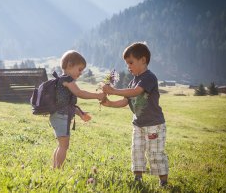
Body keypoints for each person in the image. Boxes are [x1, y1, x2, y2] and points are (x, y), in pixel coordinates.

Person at [101, 42, 169, 186]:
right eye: (127, 64)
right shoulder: (133, 81)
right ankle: (138, 178)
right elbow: (126, 101)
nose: (128, 66)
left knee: (155, 153)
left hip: (154, 124)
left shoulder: (148, 77)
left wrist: (113, 91)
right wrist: (110, 103)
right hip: (138, 124)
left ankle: (163, 181)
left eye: (131, 62)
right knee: (136, 150)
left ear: (143, 60)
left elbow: (137, 92)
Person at [51, 50, 105, 169]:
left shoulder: (60, 80)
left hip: (58, 115)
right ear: (70, 65)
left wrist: (80, 114)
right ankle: (57, 170)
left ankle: (54, 168)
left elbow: (67, 103)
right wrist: (97, 96)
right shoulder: (68, 80)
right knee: (64, 146)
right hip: (62, 117)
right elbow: (79, 93)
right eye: (80, 69)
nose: (80, 73)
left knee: (61, 145)